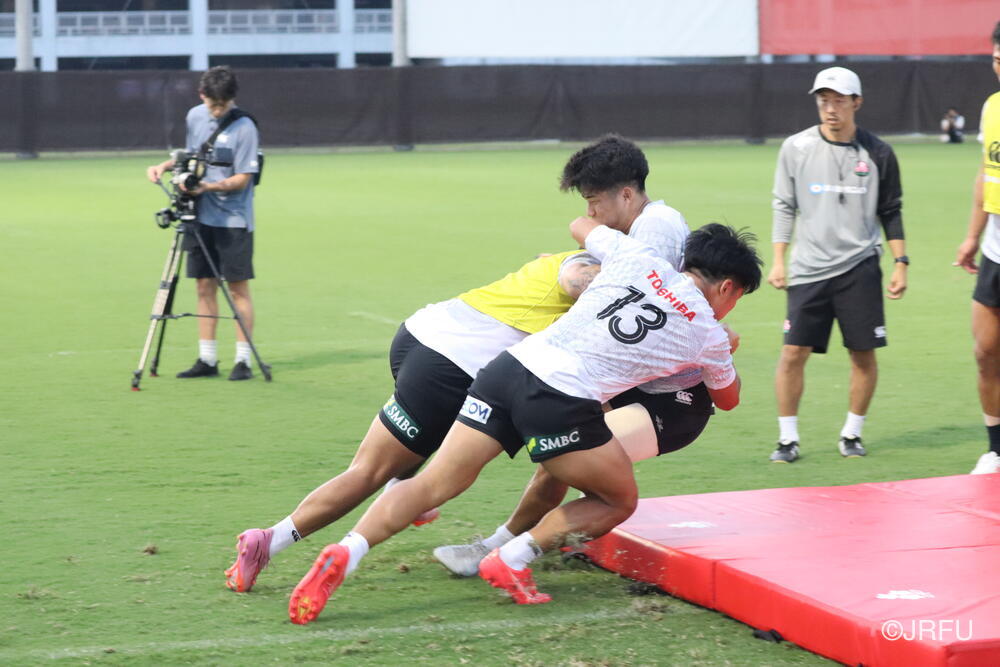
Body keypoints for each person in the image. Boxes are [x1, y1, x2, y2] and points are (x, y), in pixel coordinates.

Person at [222, 134, 710, 593]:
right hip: (455, 366)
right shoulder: (613, 258)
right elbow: (585, 281)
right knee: (418, 476)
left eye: (593, 203)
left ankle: (279, 536)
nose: (590, 214)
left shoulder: (624, 242)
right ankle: (354, 532)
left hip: (423, 335)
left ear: (625, 195)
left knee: (387, 466)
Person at [288, 221, 761, 624]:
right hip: (560, 397)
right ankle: (513, 557)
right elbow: (728, 399)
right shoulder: (708, 331)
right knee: (617, 499)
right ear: (727, 288)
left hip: (507, 370)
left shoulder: (636, 255)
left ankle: (348, 549)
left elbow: (581, 226)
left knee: (434, 482)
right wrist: (721, 353)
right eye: (737, 298)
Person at [768, 66, 907, 463]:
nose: (830, 109)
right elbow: (784, 205)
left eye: (839, 101)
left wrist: (901, 262)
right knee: (793, 353)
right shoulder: (795, 148)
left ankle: (852, 433)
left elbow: (891, 209)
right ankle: (787, 440)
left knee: (863, 354)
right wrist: (778, 260)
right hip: (808, 268)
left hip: (860, 267)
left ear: (856, 103)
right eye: (823, 101)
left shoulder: (879, 152)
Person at [146, 65, 261, 381]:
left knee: (237, 289)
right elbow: (191, 157)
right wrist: (163, 166)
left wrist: (208, 187)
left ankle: (243, 360)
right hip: (199, 216)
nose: (218, 110)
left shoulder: (245, 127)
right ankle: (207, 358)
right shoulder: (195, 117)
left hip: (234, 219)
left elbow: (244, 177)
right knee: (203, 285)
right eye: (213, 104)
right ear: (202, 96)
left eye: (224, 104)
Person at [955, 21, 1000, 475]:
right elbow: (986, 174)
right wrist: (972, 235)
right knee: (986, 353)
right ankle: (996, 449)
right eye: (997, 59)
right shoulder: (992, 108)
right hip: (995, 252)